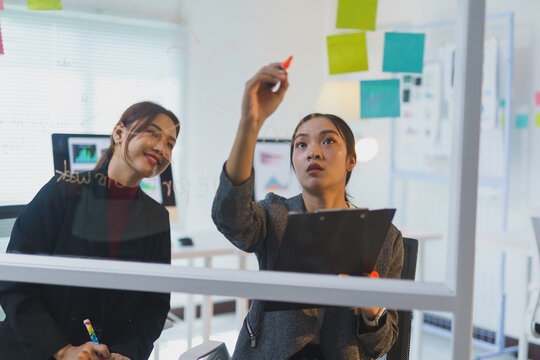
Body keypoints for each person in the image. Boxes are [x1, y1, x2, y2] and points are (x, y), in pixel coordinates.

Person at [211, 63, 404, 360]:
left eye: (328, 141)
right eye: (301, 145)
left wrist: (371, 308)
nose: (313, 152)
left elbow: (381, 345)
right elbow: (229, 218)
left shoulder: (385, 238)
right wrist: (251, 122)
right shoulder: (275, 214)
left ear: (351, 160)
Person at [0, 101, 180, 360]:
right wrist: (62, 351)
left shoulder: (157, 218)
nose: (161, 148)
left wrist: (126, 353)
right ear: (119, 133)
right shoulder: (63, 191)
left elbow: (154, 305)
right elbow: (15, 282)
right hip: (34, 350)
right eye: (153, 133)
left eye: (170, 144)